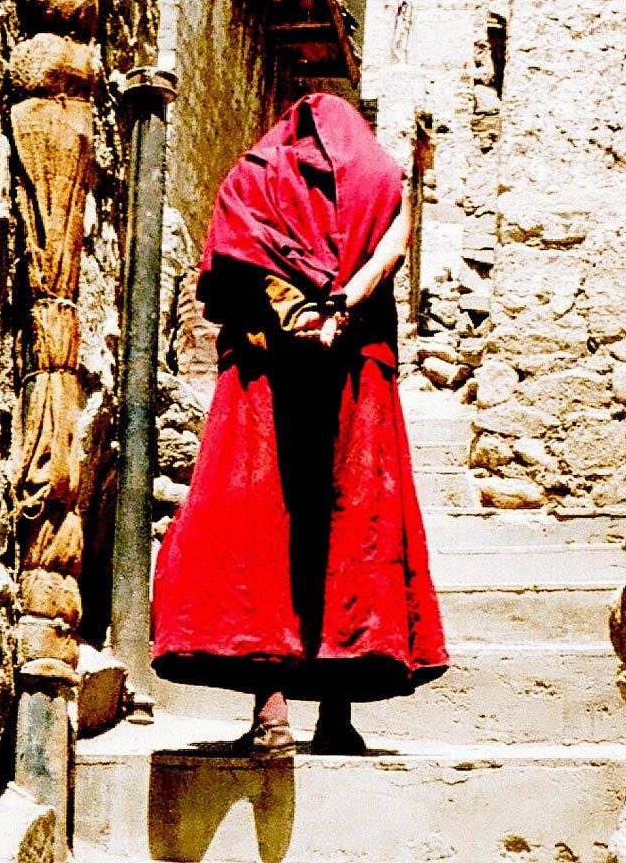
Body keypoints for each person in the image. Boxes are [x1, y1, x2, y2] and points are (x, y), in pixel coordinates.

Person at [151, 93, 447, 759]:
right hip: (355, 384)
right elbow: (394, 247)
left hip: (268, 382)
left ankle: (271, 712)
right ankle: (336, 718)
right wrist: (341, 302)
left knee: (266, 535)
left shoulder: (256, 176)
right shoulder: (380, 178)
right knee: (346, 537)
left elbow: (228, 272)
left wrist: (292, 309)